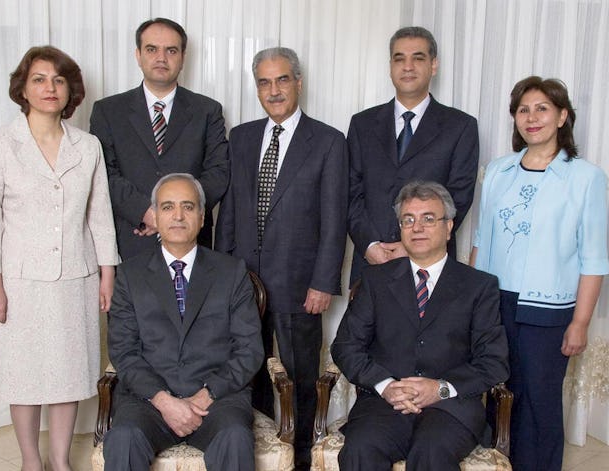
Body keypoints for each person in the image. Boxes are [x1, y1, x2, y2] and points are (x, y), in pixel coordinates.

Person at [0, 46, 118, 471]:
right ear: (24, 88)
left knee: (68, 373)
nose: (49, 88)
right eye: (39, 79)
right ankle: (31, 461)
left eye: (57, 79)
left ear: (70, 89)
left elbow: (99, 214)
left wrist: (106, 274)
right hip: (18, 281)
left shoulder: (87, 146)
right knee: (25, 375)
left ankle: (60, 460)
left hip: (77, 276)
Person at [215, 47, 348, 469]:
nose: (274, 90)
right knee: (247, 370)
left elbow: (334, 217)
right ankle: (261, 450)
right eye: (264, 82)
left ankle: (304, 457)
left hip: (300, 283)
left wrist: (324, 281)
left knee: (300, 374)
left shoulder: (328, 141)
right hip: (243, 281)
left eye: (282, 80)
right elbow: (230, 212)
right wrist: (221, 276)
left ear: (298, 83)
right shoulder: (241, 137)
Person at [471, 76, 609, 471]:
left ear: (563, 116)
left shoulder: (586, 178)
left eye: (542, 108)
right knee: (499, 395)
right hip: (496, 303)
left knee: (538, 400)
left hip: (549, 307)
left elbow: (594, 258)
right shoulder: (498, 171)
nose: (532, 117)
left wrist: (580, 322)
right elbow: (482, 240)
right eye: (523, 109)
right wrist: (472, 305)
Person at [332, 181, 509, 470]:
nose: (417, 228)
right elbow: (346, 346)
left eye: (428, 218)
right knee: (360, 449)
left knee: (431, 452)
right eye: (408, 220)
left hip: (450, 407)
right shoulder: (376, 281)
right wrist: (386, 385)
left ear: (449, 226)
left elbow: (494, 362)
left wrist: (439, 389)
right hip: (384, 402)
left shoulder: (479, 287)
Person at [104, 173, 263, 471]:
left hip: (216, 401)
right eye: (167, 207)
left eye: (188, 207)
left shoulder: (231, 273)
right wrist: (164, 401)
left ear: (202, 218)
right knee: (123, 438)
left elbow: (249, 349)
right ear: (156, 216)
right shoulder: (129, 275)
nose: (178, 216)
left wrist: (206, 394)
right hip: (148, 401)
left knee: (235, 437)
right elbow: (124, 352)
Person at [347, 26, 479, 283]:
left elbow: (458, 198)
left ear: (433, 65)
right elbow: (351, 193)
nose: (408, 66)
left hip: (430, 269)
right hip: (370, 263)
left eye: (418, 58)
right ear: (390, 66)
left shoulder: (460, 126)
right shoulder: (362, 124)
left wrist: (409, 246)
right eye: (399, 58)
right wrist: (370, 244)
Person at [90, 17, 229, 260]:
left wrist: (178, 214)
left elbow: (218, 173)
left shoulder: (207, 111)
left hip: (192, 245)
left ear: (183, 57)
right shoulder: (108, 111)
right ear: (138, 54)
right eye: (152, 49)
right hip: (131, 240)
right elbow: (104, 173)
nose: (161, 58)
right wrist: (146, 212)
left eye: (171, 50)